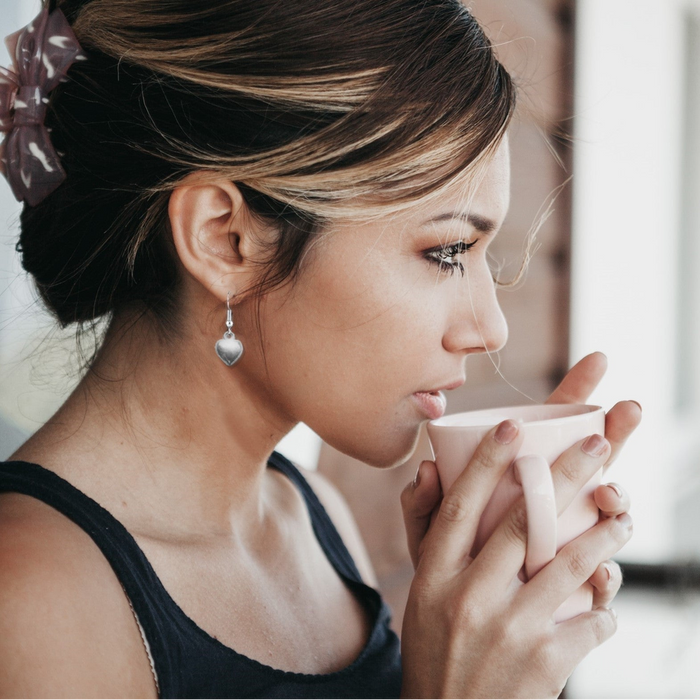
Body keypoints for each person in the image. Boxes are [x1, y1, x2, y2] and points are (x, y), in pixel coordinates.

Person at [0, 0, 641, 698]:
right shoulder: (31, 600)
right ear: (226, 239)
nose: (491, 329)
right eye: (446, 251)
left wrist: (482, 633)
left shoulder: (313, 518)